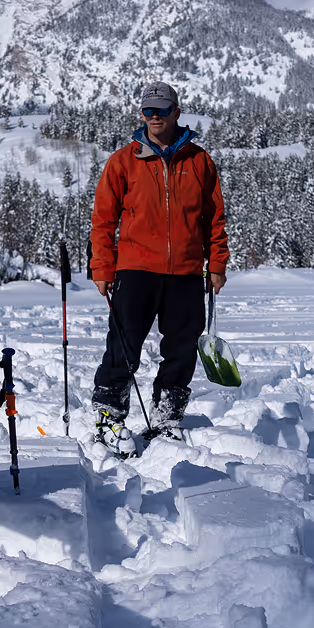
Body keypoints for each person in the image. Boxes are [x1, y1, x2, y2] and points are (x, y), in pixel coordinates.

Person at [89, 81, 229, 458]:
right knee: (123, 347)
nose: (153, 117)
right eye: (147, 110)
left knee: (182, 350)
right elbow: (102, 219)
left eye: (161, 110)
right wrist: (102, 267)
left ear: (176, 113)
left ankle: (167, 419)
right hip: (135, 271)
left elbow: (214, 218)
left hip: (185, 272)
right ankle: (109, 417)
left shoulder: (198, 161)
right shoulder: (124, 160)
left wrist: (216, 263)